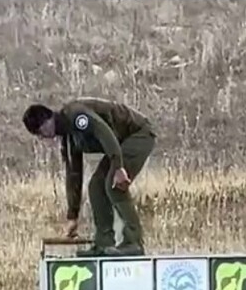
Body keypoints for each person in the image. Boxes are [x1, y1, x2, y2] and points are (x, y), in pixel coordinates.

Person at [22, 98, 156, 257]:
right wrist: (73, 216)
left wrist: (118, 167)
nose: (42, 138)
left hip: (138, 134)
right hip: (120, 144)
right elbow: (73, 175)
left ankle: (133, 242)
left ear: (46, 123)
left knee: (114, 185)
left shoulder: (76, 116)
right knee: (96, 187)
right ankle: (104, 243)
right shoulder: (69, 139)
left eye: (40, 133)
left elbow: (104, 133)